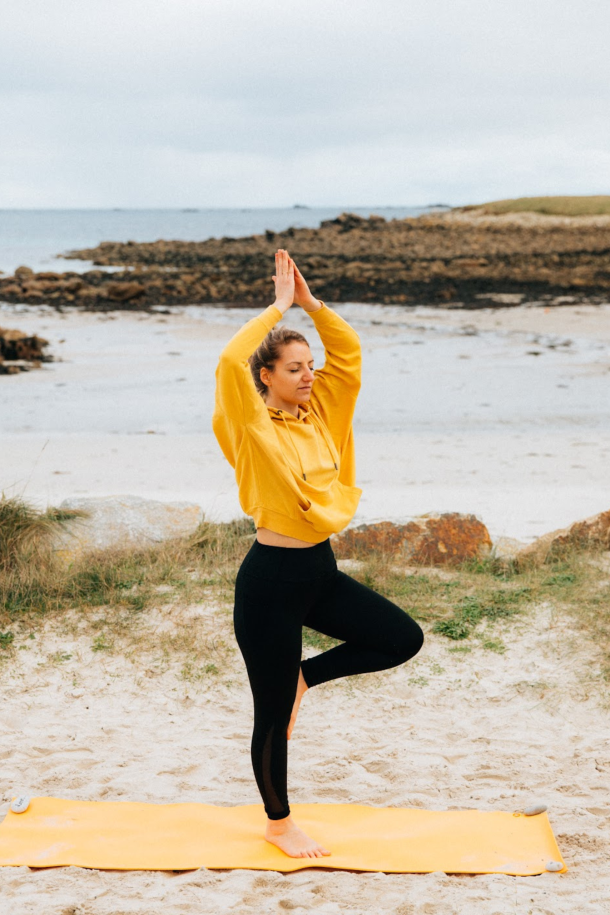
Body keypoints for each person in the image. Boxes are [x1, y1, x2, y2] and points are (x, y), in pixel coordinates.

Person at [212, 249, 424, 859]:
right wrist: (276, 308)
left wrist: (311, 305)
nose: (309, 375)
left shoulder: (322, 413)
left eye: (310, 366)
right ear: (267, 377)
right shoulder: (249, 427)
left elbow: (350, 354)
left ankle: (307, 678)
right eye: (295, 368)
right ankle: (279, 824)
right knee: (271, 713)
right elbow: (231, 360)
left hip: (318, 570)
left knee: (400, 639)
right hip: (271, 580)